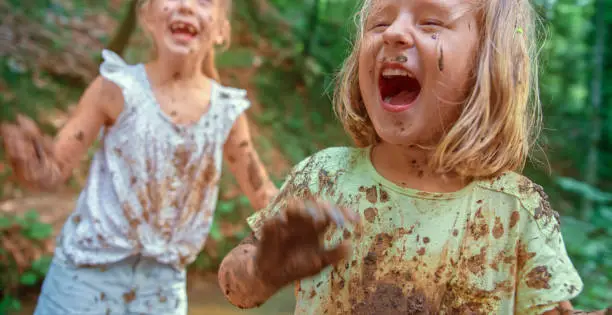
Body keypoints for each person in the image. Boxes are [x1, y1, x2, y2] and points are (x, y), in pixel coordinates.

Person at [216, 0, 589, 314]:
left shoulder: (516, 210)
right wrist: (264, 269)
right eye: (379, 21)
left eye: (430, 22)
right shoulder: (324, 178)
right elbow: (236, 288)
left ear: (489, 63)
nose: (393, 33)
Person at [0, 0, 278, 314]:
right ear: (146, 15)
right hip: (81, 281)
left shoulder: (227, 112)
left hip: (162, 292)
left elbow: (264, 197)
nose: (185, 6)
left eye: (203, 1)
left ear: (221, 30)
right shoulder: (115, 88)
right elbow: (53, 171)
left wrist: (308, 222)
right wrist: (30, 164)